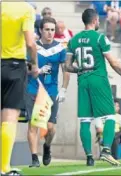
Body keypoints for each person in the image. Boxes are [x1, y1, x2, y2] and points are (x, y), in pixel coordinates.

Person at [65, 8, 121, 166]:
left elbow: (67, 66)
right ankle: (106, 150)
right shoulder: (100, 38)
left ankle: (89, 156)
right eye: (98, 20)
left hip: (82, 81)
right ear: (94, 21)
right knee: (110, 116)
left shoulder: (73, 40)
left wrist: (80, 69)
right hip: (98, 79)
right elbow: (113, 62)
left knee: (85, 120)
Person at [26, 17, 70, 168]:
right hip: (33, 89)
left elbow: (66, 71)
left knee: (50, 128)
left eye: (52, 30)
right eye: (47, 30)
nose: (50, 33)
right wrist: (35, 70)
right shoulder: (32, 47)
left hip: (51, 91)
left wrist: (63, 89)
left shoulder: (60, 48)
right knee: (33, 125)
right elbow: (25, 68)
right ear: (40, 30)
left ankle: (47, 147)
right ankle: (34, 158)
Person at [1, 2, 39, 175]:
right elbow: (31, 43)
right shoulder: (25, 9)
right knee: (9, 117)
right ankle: (4, 167)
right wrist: (35, 65)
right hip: (14, 66)